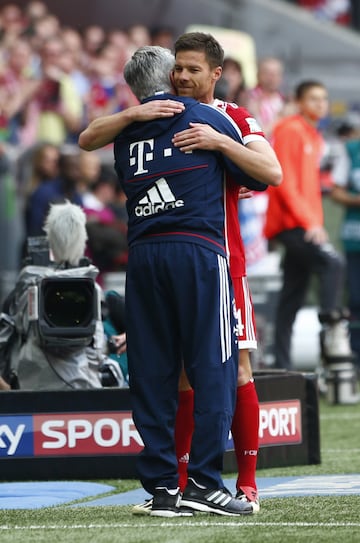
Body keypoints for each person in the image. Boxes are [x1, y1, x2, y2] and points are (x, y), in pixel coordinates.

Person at [79, 33, 282, 515]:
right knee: (207, 370)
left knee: (200, 371)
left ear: (216, 73)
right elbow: (267, 177)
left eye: (193, 69)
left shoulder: (222, 117)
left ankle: (210, 484)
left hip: (178, 256)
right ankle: (198, 484)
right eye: (179, 70)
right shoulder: (195, 117)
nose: (184, 77)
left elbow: (88, 138)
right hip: (201, 254)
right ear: (168, 75)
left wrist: (215, 141)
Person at [264, 80, 348, 371]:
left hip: (300, 222)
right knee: (332, 264)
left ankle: (282, 365)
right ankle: (332, 332)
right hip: (292, 224)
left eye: (323, 99)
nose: (320, 104)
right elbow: (285, 182)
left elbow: (308, 187)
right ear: (299, 101)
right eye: (313, 99)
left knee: (291, 297)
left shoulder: (311, 134)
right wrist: (311, 222)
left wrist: (314, 220)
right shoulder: (291, 130)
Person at [330, 128, 360, 366]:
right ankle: (356, 358)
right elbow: (335, 191)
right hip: (355, 238)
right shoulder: (351, 150)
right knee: (356, 299)